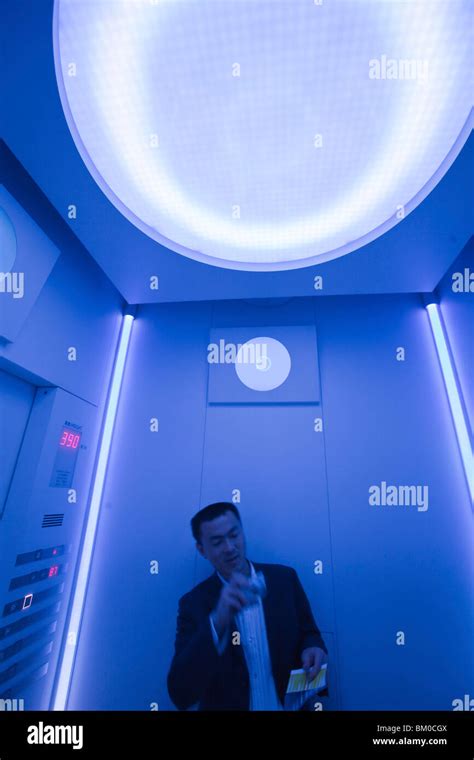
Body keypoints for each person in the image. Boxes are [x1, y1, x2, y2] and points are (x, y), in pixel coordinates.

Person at [167, 502, 328, 710]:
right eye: (217, 542)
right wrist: (217, 621)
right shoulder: (193, 605)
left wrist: (313, 647)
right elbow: (181, 694)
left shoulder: (285, 580)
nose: (230, 547)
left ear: (243, 533)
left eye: (234, 535)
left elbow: (310, 633)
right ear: (202, 549)